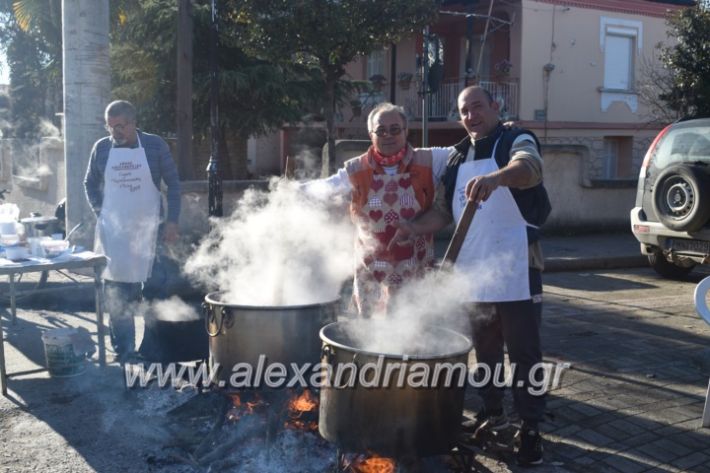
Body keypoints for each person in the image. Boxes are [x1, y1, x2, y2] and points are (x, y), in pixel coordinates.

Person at [390, 86, 551, 467]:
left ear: (495, 107)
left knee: (525, 353)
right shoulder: (459, 156)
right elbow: (444, 213)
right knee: (486, 351)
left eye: (477, 106)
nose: (471, 115)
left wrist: (498, 178)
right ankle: (492, 412)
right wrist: (412, 228)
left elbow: (530, 169)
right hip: (474, 271)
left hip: (516, 268)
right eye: (464, 110)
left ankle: (531, 429)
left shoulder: (515, 138)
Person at [307, 102, 450, 317]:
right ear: (370, 134)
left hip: (415, 267)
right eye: (381, 130)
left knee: (414, 334)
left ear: (406, 131)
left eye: (395, 130)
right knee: (371, 337)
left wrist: (507, 131)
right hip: (371, 273)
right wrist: (285, 191)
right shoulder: (355, 169)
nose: (388, 135)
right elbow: (326, 188)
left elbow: (468, 150)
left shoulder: (430, 161)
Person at [84, 100, 181, 362]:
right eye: (111, 126)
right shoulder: (101, 149)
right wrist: (100, 212)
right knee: (119, 297)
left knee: (154, 293)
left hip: (152, 234)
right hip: (115, 236)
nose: (115, 132)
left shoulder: (154, 145)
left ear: (134, 122)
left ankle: (151, 349)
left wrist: (172, 221)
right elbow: (89, 183)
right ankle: (125, 351)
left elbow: (173, 184)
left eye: (121, 126)